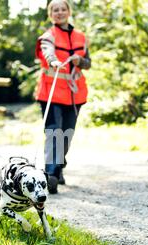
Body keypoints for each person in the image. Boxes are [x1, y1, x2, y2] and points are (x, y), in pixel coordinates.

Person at [35, 0, 91, 194]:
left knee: (67, 134)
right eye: (55, 10)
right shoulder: (48, 37)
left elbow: (88, 63)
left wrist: (80, 60)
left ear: (69, 12)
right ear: (51, 15)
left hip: (74, 94)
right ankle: (51, 174)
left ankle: (58, 167)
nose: (59, 13)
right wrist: (54, 61)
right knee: (53, 132)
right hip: (51, 91)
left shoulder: (81, 37)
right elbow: (47, 53)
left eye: (62, 9)